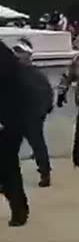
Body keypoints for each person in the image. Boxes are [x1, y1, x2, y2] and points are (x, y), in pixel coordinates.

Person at [13, 38, 54, 187]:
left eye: (19, 52)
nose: (17, 56)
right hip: (20, 115)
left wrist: (43, 110)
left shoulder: (34, 74)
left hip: (30, 116)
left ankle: (45, 172)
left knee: (37, 145)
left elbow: (47, 93)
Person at [0, 41, 32, 226]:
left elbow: (8, 94)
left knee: (8, 168)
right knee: (8, 168)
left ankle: (19, 208)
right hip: (11, 122)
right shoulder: (6, 56)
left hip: (6, 124)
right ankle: (19, 207)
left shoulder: (4, 60)